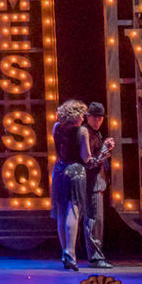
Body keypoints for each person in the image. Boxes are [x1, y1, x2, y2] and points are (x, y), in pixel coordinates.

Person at [51, 99, 90, 271]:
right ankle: (71, 252)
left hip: (59, 170)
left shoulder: (56, 127)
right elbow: (86, 156)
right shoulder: (82, 131)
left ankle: (64, 252)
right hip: (75, 171)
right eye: (82, 114)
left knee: (61, 211)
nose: (84, 118)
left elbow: (58, 150)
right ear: (76, 115)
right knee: (73, 211)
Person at [82, 102, 115, 269]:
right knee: (94, 220)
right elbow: (90, 163)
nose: (98, 120)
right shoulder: (85, 133)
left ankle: (96, 256)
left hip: (98, 182)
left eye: (100, 117)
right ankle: (95, 257)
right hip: (92, 183)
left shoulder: (94, 133)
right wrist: (105, 149)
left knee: (96, 221)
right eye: (95, 117)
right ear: (87, 117)